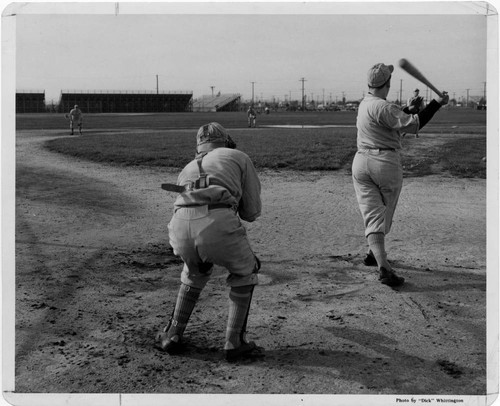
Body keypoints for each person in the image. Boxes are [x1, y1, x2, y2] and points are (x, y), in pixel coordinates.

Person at [156, 122, 263, 362]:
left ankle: (172, 332)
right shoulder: (237, 156)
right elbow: (251, 213)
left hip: (179, 225)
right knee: (246, 271)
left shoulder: (188, 166)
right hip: (217, 219)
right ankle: (235, 342)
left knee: (195, 270)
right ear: (225, 141)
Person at [352, 63, 449, 287]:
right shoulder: (385, 107)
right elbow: (415, 125)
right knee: (383, 214)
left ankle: (372, 254)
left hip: (361, 163)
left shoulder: (365, 104)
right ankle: (384, 268)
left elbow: (391, 119)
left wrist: (408, 108)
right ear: (387, 84)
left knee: (371, 212)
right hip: (384, 163)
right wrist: (436, 103)